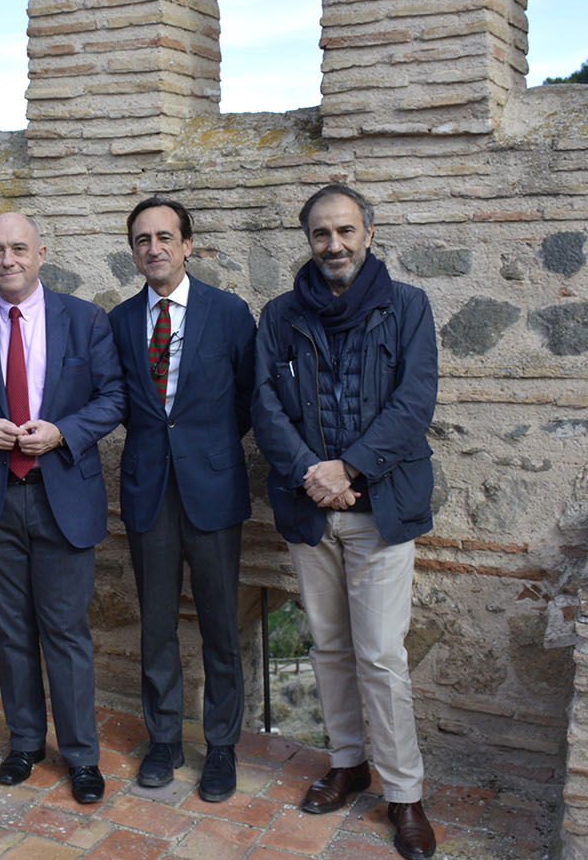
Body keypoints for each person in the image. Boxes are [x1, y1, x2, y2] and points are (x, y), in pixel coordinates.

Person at [251, 184, 438, 860]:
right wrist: (312, 472)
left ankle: (404, 794)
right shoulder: (279, 316)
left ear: (367, 232)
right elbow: (265, 405)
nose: (334, 245)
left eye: (345, 231)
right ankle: (348, 760)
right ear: (308, 240)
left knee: (381, 654)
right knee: (327, 645)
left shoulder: (407, 307)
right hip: (310, 508)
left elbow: (414, 403)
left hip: (379, 512)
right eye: (321, 234)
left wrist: (348, 469)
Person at [0, 213, 124, 804]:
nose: (7, 259)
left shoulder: (85, 319)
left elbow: (113, 398)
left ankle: (82, 758)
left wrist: (62, 432)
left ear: (42, 253)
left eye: (18, 248)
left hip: (62, 493)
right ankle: (24, 743)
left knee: (65, 631)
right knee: (12, 630)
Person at [109, 196, 255, 802]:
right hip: (148, 489)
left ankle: (221, 747)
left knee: (221, 624)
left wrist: (210, 450)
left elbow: (250, 397)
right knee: (158, 624)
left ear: (188, 246)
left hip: (214, 489)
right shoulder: (117, 321)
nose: (154, 248)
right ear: (133, 251)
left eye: (165, 237)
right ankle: (165, 739)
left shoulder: (228, 313)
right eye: (142, 239)